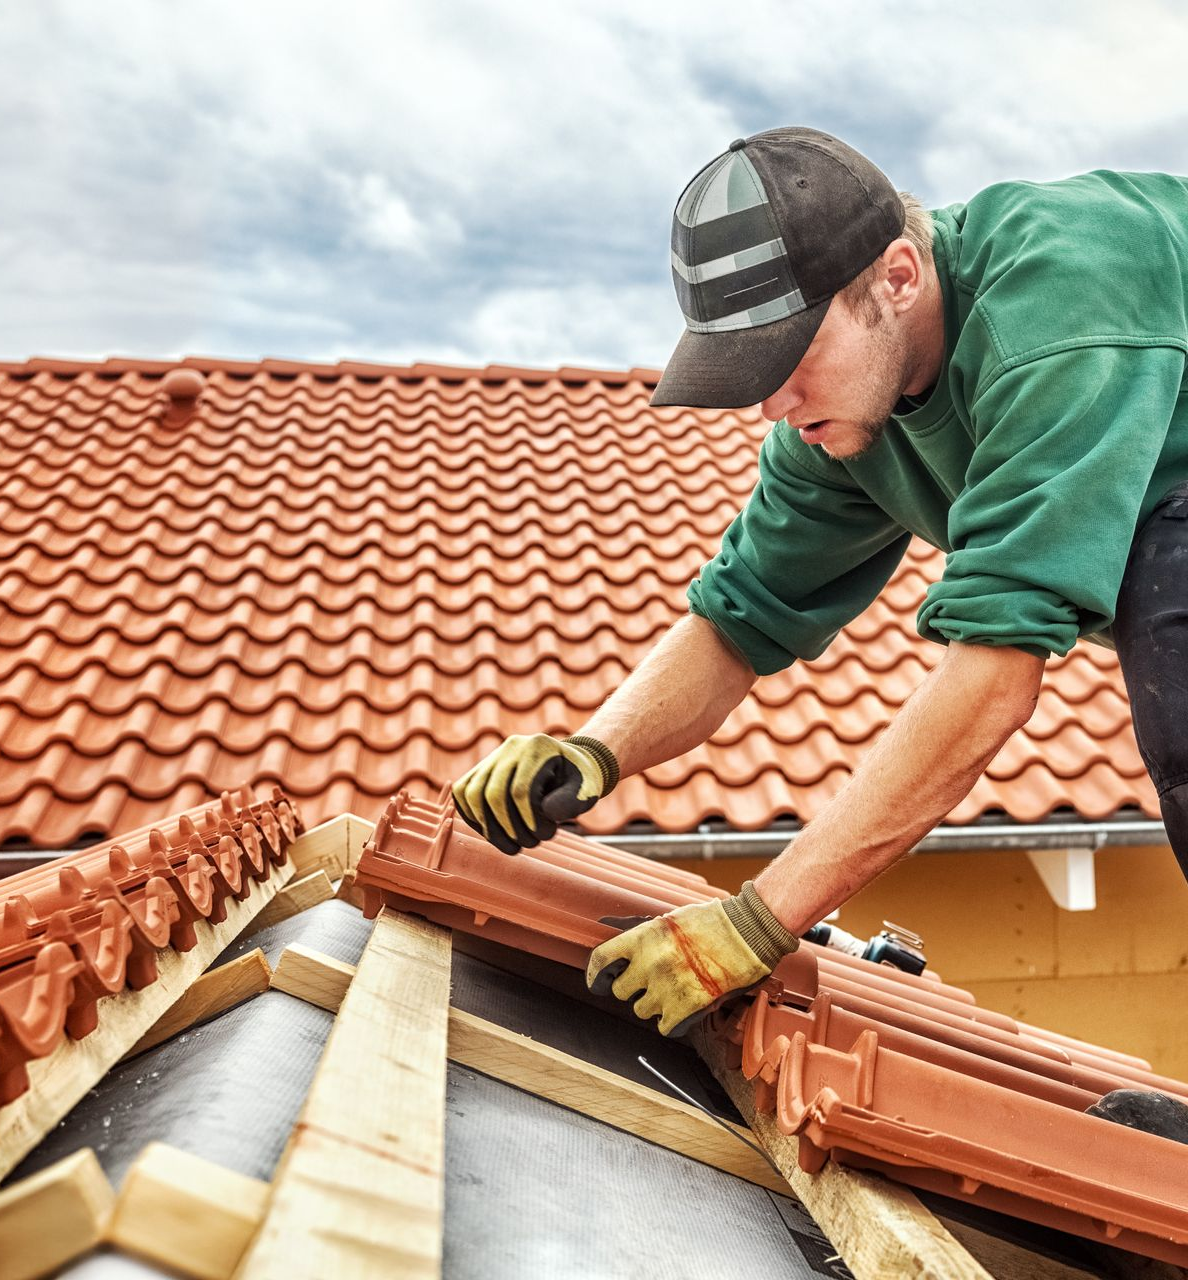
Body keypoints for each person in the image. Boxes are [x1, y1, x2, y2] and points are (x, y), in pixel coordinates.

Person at [451, 127, 1188, 1061]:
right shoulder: (843, 425)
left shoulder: (1063, 305)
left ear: (898, 277)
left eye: (793, 354)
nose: (771, 404)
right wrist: (594, 751)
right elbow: (739, 619)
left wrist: (761, 921)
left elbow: (994, 674)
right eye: (751, 372)